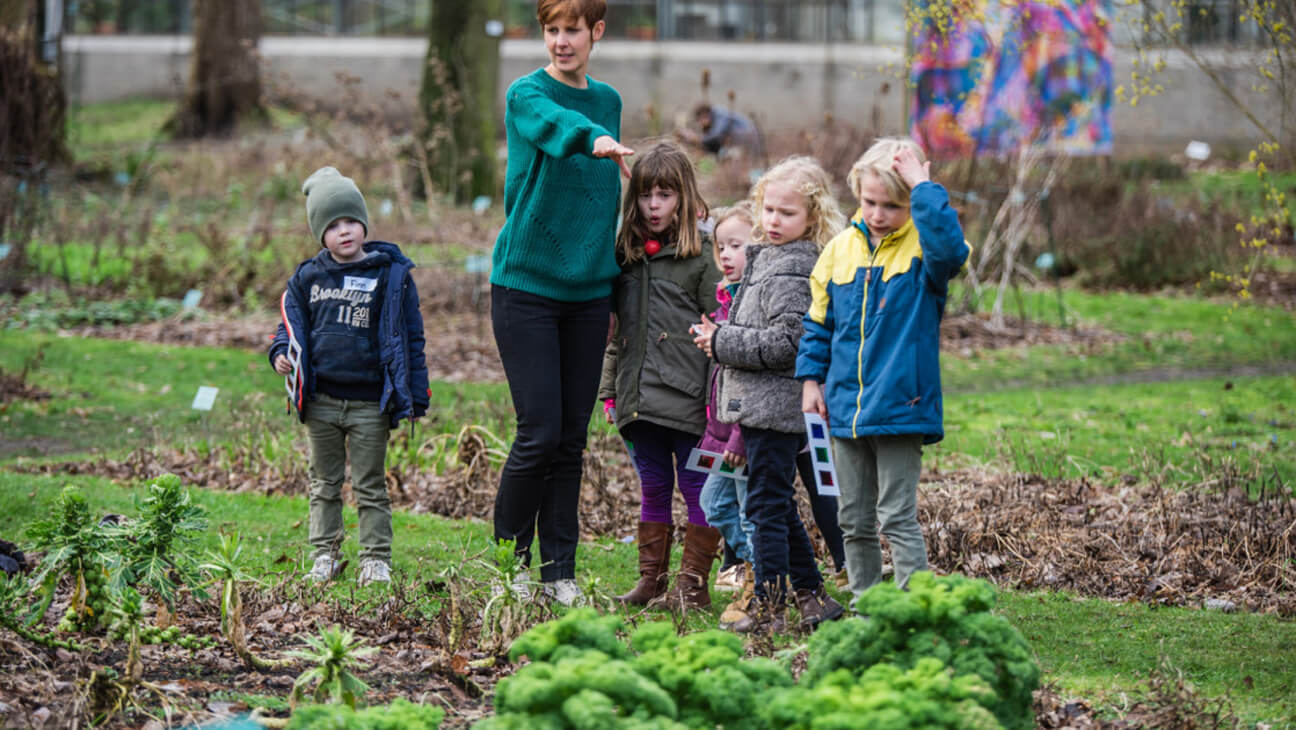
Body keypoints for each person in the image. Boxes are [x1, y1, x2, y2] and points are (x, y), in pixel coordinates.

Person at [489, 0, 634, 606]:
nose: (560, 41)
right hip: (525, 285)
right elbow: (552, 125)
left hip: (587, 293)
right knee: (539, 432)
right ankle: (510, 565)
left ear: (595, 32)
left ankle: (559, 572)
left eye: (572, 29)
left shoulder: (610, 100)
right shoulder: (527, 94)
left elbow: (607, 206)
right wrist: (591, 137)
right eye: (552, 30)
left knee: (572, 438)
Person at [797, 137, 970, 600]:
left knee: (897, 516)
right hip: (845, 407)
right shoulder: (838, 252)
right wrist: (811, 380)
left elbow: (953, 251)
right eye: (870, 202)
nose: (877, 214)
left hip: (901, 406)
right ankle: (867, 606)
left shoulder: (925, 251)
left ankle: (915, 609)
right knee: (852, 518)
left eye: (892, 205)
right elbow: (818, 323)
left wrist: (923, 186)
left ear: (911, 203)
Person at [692, 156, 846, 633]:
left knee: (764, 506)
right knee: (773, 503)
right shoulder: (772, 259)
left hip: (776, 409)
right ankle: (812, 597)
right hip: (762, 406)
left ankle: (768, 604)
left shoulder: (794, 268)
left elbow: (789, 342)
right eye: (769, 210)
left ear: (813, 218)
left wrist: (721, 342)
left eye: (787, 213)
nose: (774, 221)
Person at [269, 166, 429, 587]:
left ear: (364, 224)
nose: (345, 231)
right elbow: (288, 326)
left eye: (351, 221)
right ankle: (325, 554)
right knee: (324, 482)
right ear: (319, 232)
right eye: (333, 224)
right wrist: (280, 353)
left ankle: (375, 558)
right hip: (320, 401)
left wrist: (415, 394)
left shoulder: (389, 276)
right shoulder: (307, 278)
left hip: (367, 404)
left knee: (370, 483)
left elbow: (411, 337)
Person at [598, 139, 722, 610]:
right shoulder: (627, 256)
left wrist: (717, 403)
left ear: (684, 197)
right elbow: (618, 334)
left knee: (695, 489)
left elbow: (720, 329)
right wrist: (611, 392)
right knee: (651, 488)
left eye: (665, 195)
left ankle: (693, 586)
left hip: (690, 402)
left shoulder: (702, 257)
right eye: (646, 195)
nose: (654, 206)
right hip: (638, 400)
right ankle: (651, 581)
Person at [694, 201, 757, 623]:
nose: (726, 254)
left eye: (737, 245)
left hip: (744, 435)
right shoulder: (727, 298)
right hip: (721, 432)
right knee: (715, 504)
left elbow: (754, 380)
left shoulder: (754, 300)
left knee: (750, 515)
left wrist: (738, 437)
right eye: (721, 246)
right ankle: (757, 574)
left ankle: (763, 582)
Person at [677, 103, 762, 160]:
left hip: (749, 138)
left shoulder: (719, 115)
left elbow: (717, 134)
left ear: (704, 115)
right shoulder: (715, 117)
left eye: (700, 120)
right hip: (743, 141)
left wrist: (697, 138)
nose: (701, 123)